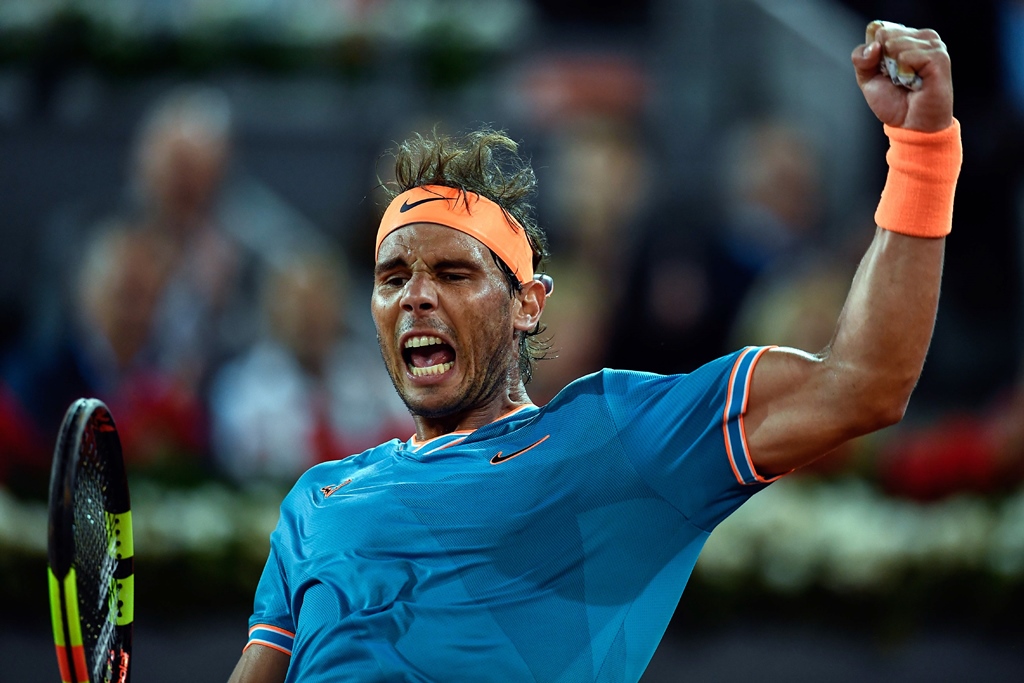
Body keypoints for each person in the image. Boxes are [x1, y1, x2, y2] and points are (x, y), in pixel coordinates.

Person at [229, 21, 960, 682]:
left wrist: (923, 152)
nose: (416, 296)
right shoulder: (315, 500)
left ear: (528, 303)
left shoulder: (614, 435)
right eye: (394, 277)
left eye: (453, 273)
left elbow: (865, 382)